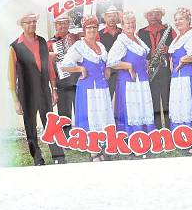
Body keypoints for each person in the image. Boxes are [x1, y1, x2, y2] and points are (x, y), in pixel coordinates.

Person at [9, 13, 66, 166]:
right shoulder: (15, 46)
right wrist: (16, 101)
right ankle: (37, 158)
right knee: (30, 127)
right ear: (22, 24)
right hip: (26, 93)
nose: (32, 25)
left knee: (50, 122)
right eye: (28, 22)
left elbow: (48, 67)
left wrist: (54, 88)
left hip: (43, 89)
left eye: (34, 22)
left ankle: (58, 155)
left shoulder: (41, 41)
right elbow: (11, 77)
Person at [60, 15, 115, 162]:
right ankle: (93, 152)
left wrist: (108, 69)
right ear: (84, 29)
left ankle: (102, 147)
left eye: (94, 27)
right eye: (89, 27)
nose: (92, 30)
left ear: (97, 29)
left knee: (102, 117)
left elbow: (107, 62)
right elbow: (65, 65)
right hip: (88, 89)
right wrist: (80, 69)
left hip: (102, 87)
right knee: (91, 118)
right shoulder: (79, 45)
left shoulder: (101, 46)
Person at [107, 11, 156, 135]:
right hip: (129, 82)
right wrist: (128, 66)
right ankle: (133, 135)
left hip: (142, 80)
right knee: (133, 109)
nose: (131, 25)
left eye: (133, 22)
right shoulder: (122, 41)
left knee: (143, 108)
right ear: (122, 25)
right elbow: (111, 62)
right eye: (128, 23)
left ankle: (146, 134)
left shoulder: (137, 39)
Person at [138, 7, 175, 129]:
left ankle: (169, 128)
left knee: (167, 99)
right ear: (146, 17)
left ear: (161, 16)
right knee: (153, 101)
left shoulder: (170, 30)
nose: (153, 16)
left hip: (164, 70)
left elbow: (178, 48)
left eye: (157, 14)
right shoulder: (140, 32)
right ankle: (158, 129)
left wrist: (168, 49)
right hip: (149, 70)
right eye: (150, 14)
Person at [168, 8, 192, 130]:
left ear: (188, 20)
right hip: (177, 76)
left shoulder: (191, 36)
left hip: (188, 76)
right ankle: (180, 133)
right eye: (176, 20)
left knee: (188, 105)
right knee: (179, 105)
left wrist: (182, 60)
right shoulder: (178, 37)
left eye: (181, 19)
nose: (178, 22)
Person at [48, 13, 80, 142]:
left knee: (79, 108)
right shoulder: (50, 43)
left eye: (65, 23)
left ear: (68, 24)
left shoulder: (76, 38)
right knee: (64, 111)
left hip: (77, 79)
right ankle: (66, 137)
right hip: (62, 81)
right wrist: (49, 56)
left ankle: (80, 135)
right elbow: (46, 65)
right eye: (59, 23)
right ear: (55, 26)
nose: (62, 26)